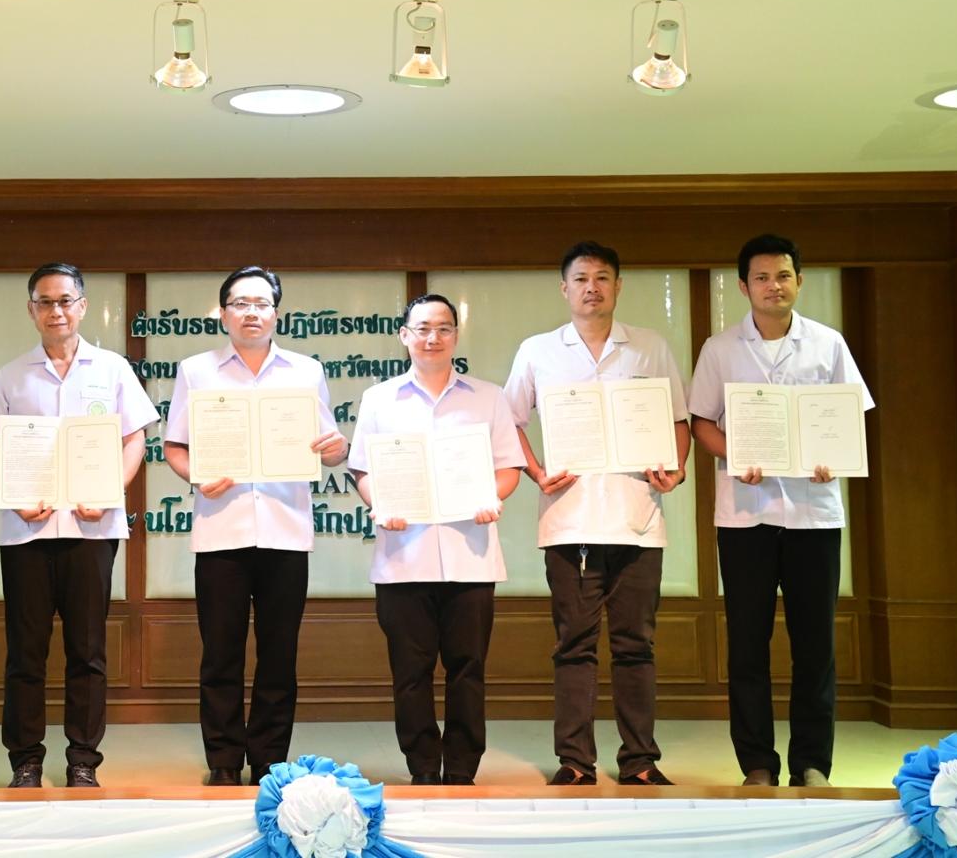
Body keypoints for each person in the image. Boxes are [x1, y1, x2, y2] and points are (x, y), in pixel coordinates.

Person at [689, 234, 874, 788]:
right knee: (747, 645)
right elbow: (702, 423)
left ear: (800, 280)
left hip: (814, 515)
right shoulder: (720, 349)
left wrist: (835, 457)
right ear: (743, 286)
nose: (774, 286)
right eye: (763, 277)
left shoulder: (828, 344)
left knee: (815, 645)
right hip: (745, 515)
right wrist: (735, 456)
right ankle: (757, 764)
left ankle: (812, 764)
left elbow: (850, 417)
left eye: (784, 275)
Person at [503, 242, 690, 786]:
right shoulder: (538, 350)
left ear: (618, 286)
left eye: (602, 278)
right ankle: (574, 761)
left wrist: (676, 470)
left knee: (636, 646)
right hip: (569, 520)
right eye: (581, 278)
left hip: (638, 517)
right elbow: (508, 421)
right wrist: (537, 472)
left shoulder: (650, 347)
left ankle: (640, 761)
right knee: (573, 647)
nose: (592, 288)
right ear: (565, 288)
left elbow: (677, 420)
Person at [0, 263, 159, 788]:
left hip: (92, 531)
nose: (56, 310)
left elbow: (135, 440)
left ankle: (83, 759)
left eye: (65, 300)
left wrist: (111, 489)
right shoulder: (11, 376)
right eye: (45, 301)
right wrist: (12, 497)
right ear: (32, 309)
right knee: (25, 652)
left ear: (82, 306)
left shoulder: (113, 369)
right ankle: (25, 760)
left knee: (88, 650)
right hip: (27, 534)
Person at [163, 266, 348, 786]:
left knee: (278, 656)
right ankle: (223, 760)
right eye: (240, 303)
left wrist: (338, 449)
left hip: (286, 531)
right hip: (220, 532)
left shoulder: (306, 372)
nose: (251, 312)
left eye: (261, 304)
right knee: (220, 655)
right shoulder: (196, 371)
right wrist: (196, 475)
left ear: (276, 314)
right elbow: (175, 446)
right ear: (223, 313)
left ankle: (269, 760)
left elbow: (330, 448)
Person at [349, 294, 523, 785]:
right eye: (423, 328)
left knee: (469, 669)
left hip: (471, 556)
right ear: (404, 335)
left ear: (456, 336)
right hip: (404, 557)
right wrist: (379, 504)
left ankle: (462, 770)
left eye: (444, 328)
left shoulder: (488, 397)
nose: (433, 338)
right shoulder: (379, 399)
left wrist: (492, 496)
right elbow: (362, 469)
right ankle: (423, 768)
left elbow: (508, 467)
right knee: (411, 671)